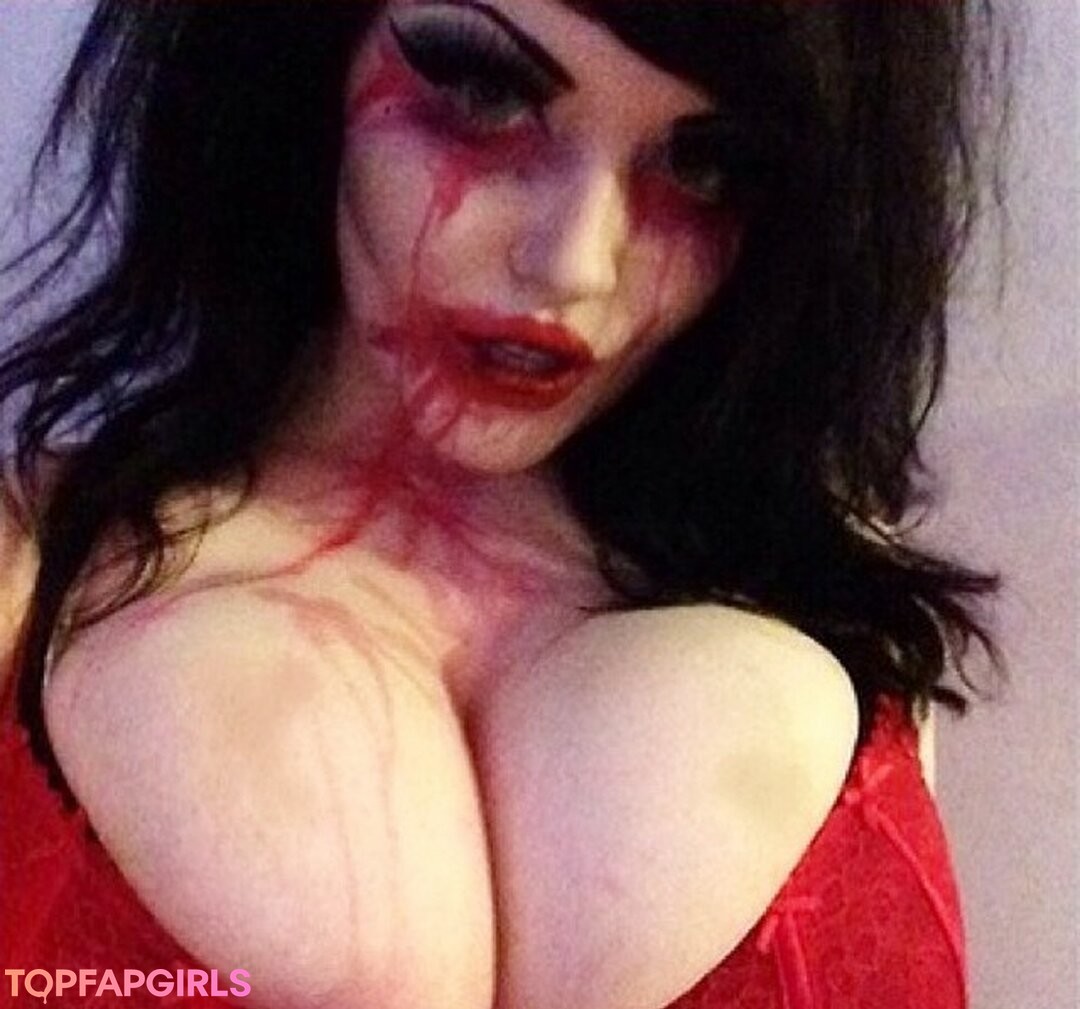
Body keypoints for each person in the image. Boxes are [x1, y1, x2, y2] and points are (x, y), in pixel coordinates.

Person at [0, 1, 1000, 1006]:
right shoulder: (26, 571)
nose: (575, 263)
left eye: (706, 165)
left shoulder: (843, 606)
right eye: (483, 93)